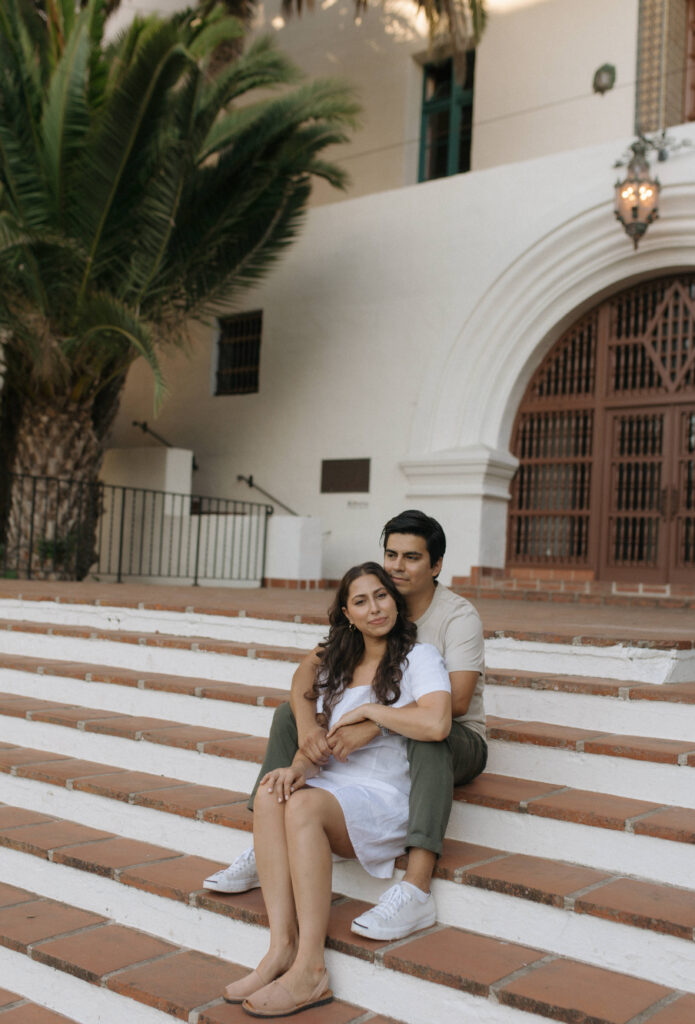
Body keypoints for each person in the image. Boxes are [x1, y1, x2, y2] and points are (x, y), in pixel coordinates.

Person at [206, 509, 487, 941]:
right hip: (400, 722)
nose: (398, 566)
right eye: (391, 554)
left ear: (435, 565)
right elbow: (306, 673)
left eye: (412, 557)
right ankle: (268, 837)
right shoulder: (374, 607)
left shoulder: (456, 616)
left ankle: (415, 883)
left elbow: (456, 704)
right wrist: (308, 732)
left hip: (458, 735)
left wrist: (374, 721)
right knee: (290, 712)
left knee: (430, 739)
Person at [222, 563, 451, 1015]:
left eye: (381, 596)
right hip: (334, 786)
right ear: (347, 613)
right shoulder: (339, 662)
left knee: (302, 807)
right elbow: (318, 727)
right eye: (361, 601)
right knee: (273, 790)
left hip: (382, 795)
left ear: (395, 601)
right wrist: (299, 765)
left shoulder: (417, 658)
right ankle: (280, 948)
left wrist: (375, 715)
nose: (374, 608)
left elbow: (437, 722)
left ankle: (311, 970)